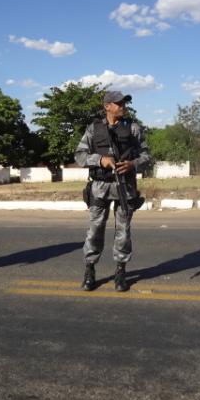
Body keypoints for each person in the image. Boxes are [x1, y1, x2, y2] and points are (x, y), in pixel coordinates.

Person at [75, 90, 151, 292]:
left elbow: (146, 156)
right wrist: (100, 160)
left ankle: (120, 271)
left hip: (125, 188)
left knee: (123, 231)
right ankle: (90, 270)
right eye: (119, 103)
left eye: (124, 103)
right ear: (107, 106)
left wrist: (133, 165)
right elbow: (80, 155)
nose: (123, 106)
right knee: (95, 230)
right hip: (100, 187)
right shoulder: (93, 129)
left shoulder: (133, 128)